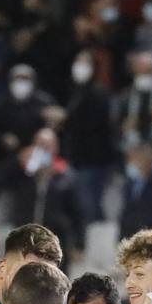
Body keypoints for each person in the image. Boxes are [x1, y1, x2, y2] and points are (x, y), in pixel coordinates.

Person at [0, 128, 86, 263]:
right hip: (25, 240)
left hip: (55, 242)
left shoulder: (65, 176)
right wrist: (18, 162)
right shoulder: (24, 173)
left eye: (47, 146)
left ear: (55, 148)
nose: (43, 150)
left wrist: (79, 244)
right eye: (39, 146)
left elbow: (78, 212)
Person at [63, 50, 115, 223]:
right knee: (83, 205)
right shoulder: (75, 92)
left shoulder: (99, 93)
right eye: (78, 61)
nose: (80, 67)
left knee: (90, 206)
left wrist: (66, 119)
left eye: (85, 63)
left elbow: (95, 125)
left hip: (92, 160)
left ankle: (99, 245)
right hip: (78, 158)